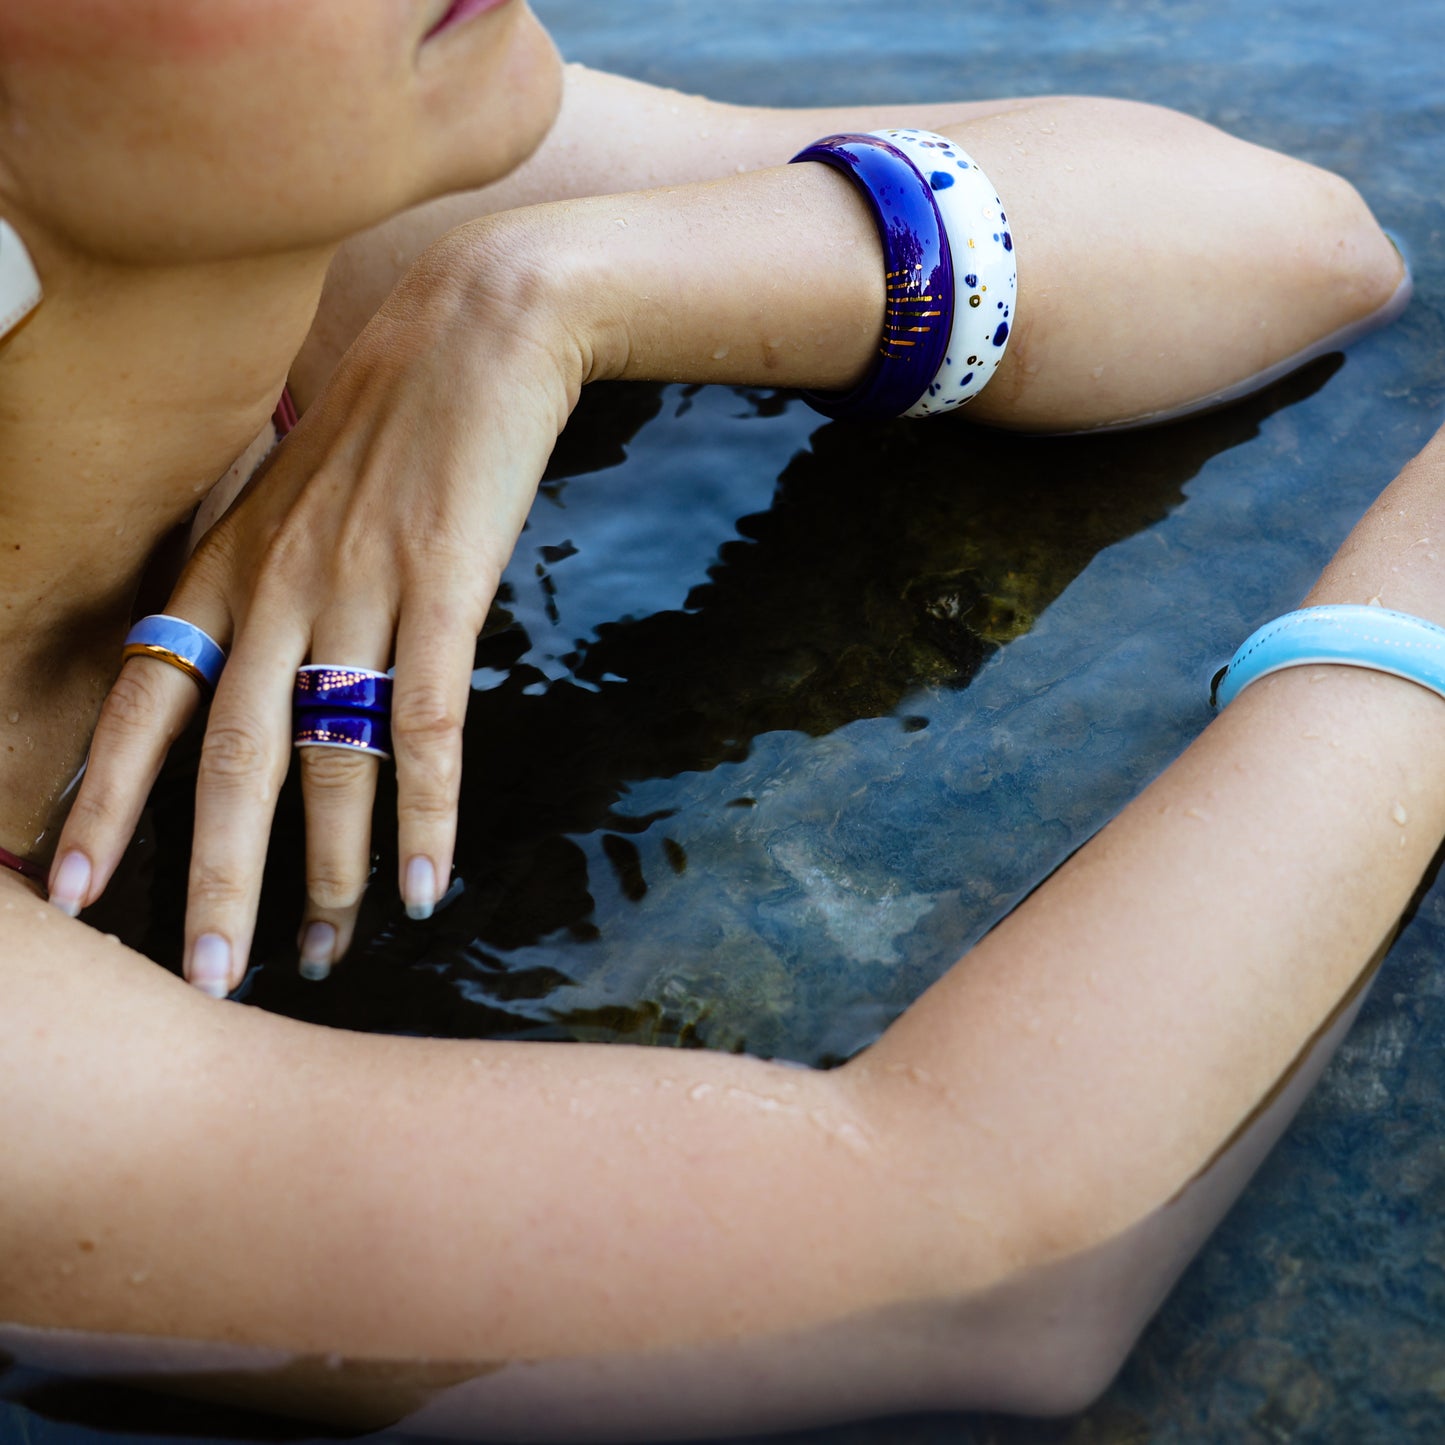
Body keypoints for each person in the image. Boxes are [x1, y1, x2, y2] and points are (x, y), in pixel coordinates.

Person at [0, 0, 1429, 1434]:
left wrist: (547, 290)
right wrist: (1409, 612)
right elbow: (980, 1250)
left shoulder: (308, 215)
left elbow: (1297, 246)